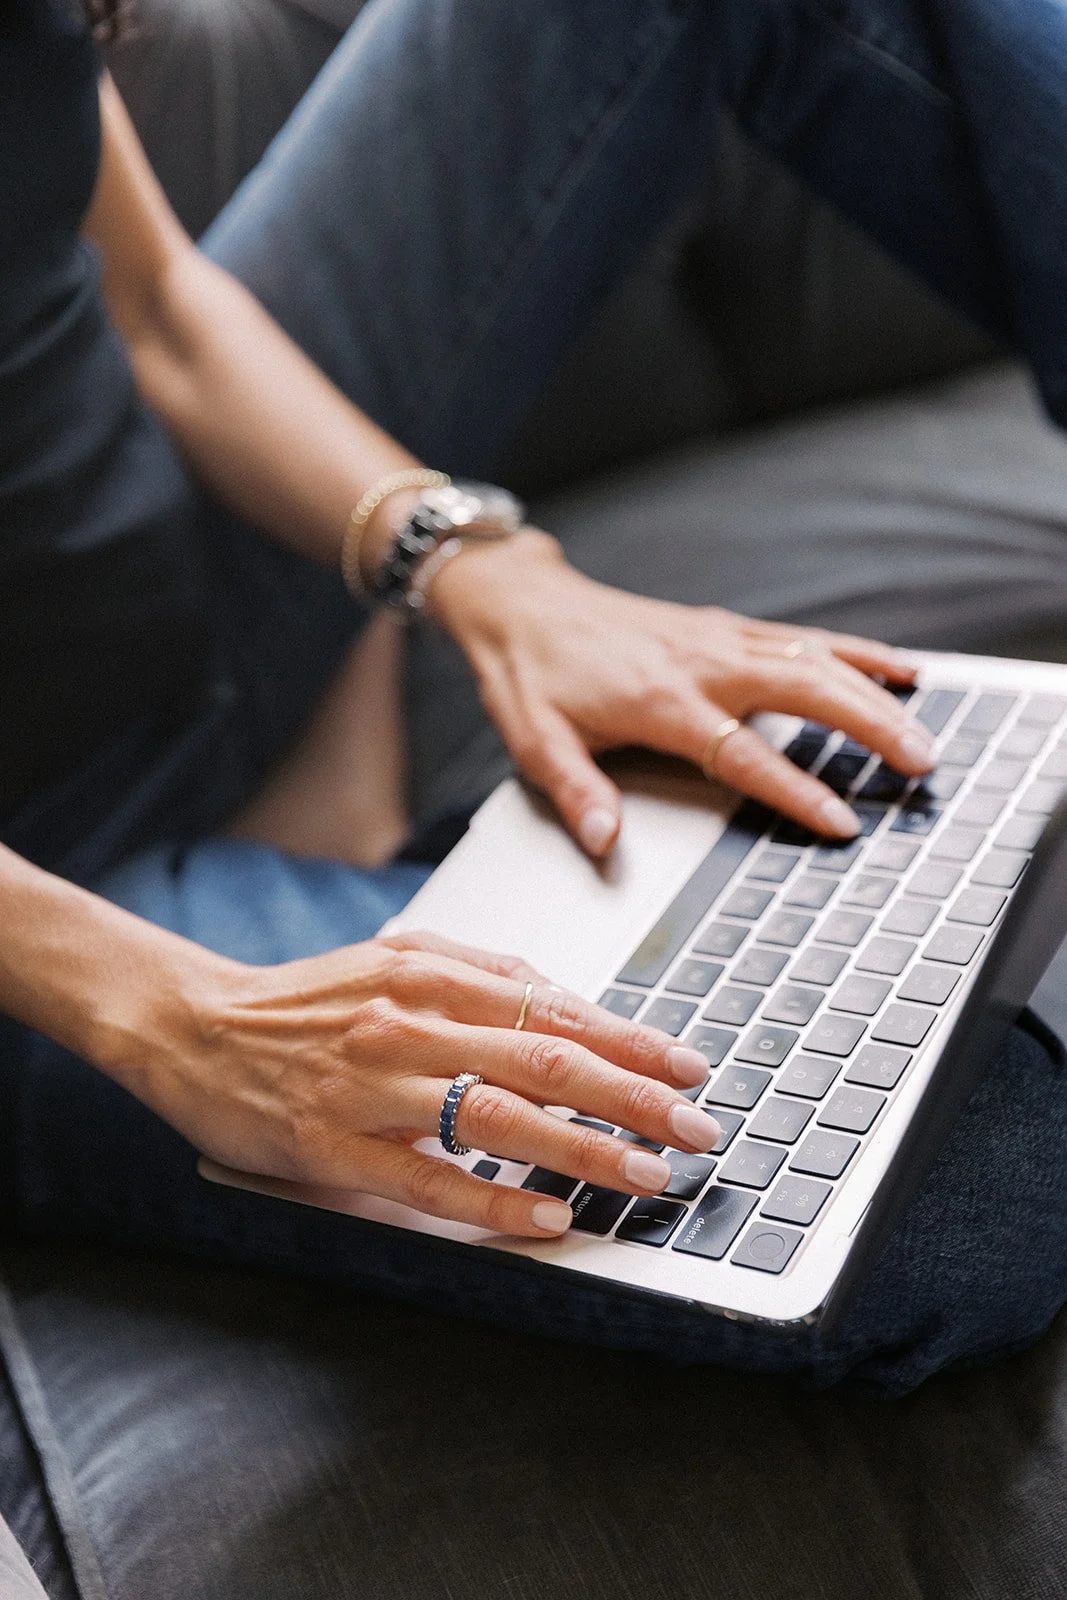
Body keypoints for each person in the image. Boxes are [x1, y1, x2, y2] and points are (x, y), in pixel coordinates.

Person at [1, 0, 1067, 1396]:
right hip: (62, 889)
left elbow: (152, 311)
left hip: (190, 549)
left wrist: (467, 565)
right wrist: (173, 1013)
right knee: (958, 1195)